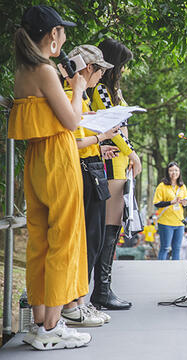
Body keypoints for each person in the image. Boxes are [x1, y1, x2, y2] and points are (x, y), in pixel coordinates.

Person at [8, 5, 91, 350]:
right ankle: (53, 326)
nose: (65, 37)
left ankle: (40, 322)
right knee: (63, 240)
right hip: (58, 157)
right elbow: (72, 121)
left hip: (36, 160)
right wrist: (78, 88)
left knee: (41, 241)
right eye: (62, 32)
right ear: (51, 34)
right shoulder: (45, 71)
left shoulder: (23, 70)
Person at [60, 45, 118, 327]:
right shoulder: (70, 94)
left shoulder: (79, 96)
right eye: (99, 70)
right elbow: (70, 141)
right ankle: (74, 305)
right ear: (86, 68)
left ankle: (82, 303)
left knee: (92, 239)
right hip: (81, 171)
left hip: (92, 167)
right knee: (86, 238)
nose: (100, 76)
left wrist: (100, 147)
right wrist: (101, 138)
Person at [90, 38, 141, 310]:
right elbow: (114, 126)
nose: (122, 70)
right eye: (121, 65)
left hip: (119, 163)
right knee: (109, 227)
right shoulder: (100, 89)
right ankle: (101, 291)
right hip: (111, 163)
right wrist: (132, 152)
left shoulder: (111, 89)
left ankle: (104, 289)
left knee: (114, 226)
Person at [153, 162, 187, 260]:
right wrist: (171, 202)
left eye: (176, 170)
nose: (174, 172)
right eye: (171, 170)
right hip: (166, 222)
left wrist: (184, 203)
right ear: (167, 172)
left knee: (177, 249)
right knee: (165, 248)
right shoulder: (162, 186)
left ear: (179, 172)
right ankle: (161, 272)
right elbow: (156, 203)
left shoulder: (182, 186)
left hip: (179, 222)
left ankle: (175, 272)